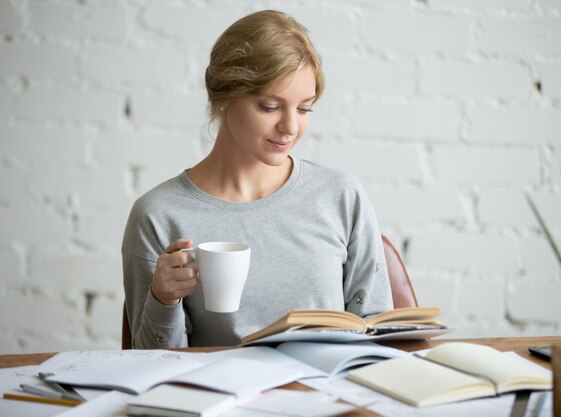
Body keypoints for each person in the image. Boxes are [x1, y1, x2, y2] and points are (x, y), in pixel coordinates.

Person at [122, 9, 393, 348]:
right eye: (269, 106)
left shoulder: (342, 196)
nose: (291, 127)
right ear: (223, 96)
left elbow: (377, 335)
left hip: (327, 395)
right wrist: (163, 299)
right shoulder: (158, 215)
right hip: (222, 398)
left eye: (304, 108)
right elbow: (150, 364)